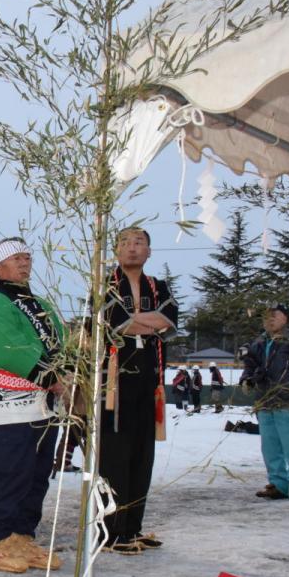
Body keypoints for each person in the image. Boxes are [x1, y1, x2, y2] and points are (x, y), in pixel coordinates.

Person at [0, 238, 65, 573]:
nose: (25, 262)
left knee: (38, 473)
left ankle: (24, 537)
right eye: (16, 258)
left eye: (27, 257)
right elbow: (7, 347)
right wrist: (49, 375)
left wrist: (68, 369)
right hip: (15, 402)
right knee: (11, 471)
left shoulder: (41, 304)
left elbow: (60, 341)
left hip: (47, 402)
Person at [100, 227, 178, 554]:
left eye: (139, 242)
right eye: (125, 243)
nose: (132, 248)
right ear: (116, 250)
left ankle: (133, 527)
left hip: (149, 376)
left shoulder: (158, 286)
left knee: (142, 453)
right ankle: (111, 531)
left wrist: (136, 320)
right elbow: (116, 322)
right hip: (115, 382)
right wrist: (147, 322)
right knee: (115, 454)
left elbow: (168, 321)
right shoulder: (105, 285)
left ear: (149, 251)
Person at [239, 304, 289, 501]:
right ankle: (277, 483)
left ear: (285, 318)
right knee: (270, 446)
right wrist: (247, 379)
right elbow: (250, 364)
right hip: (265, 400)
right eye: (266, 316)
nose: (269, 319)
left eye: (274, 315)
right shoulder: (259, 342)